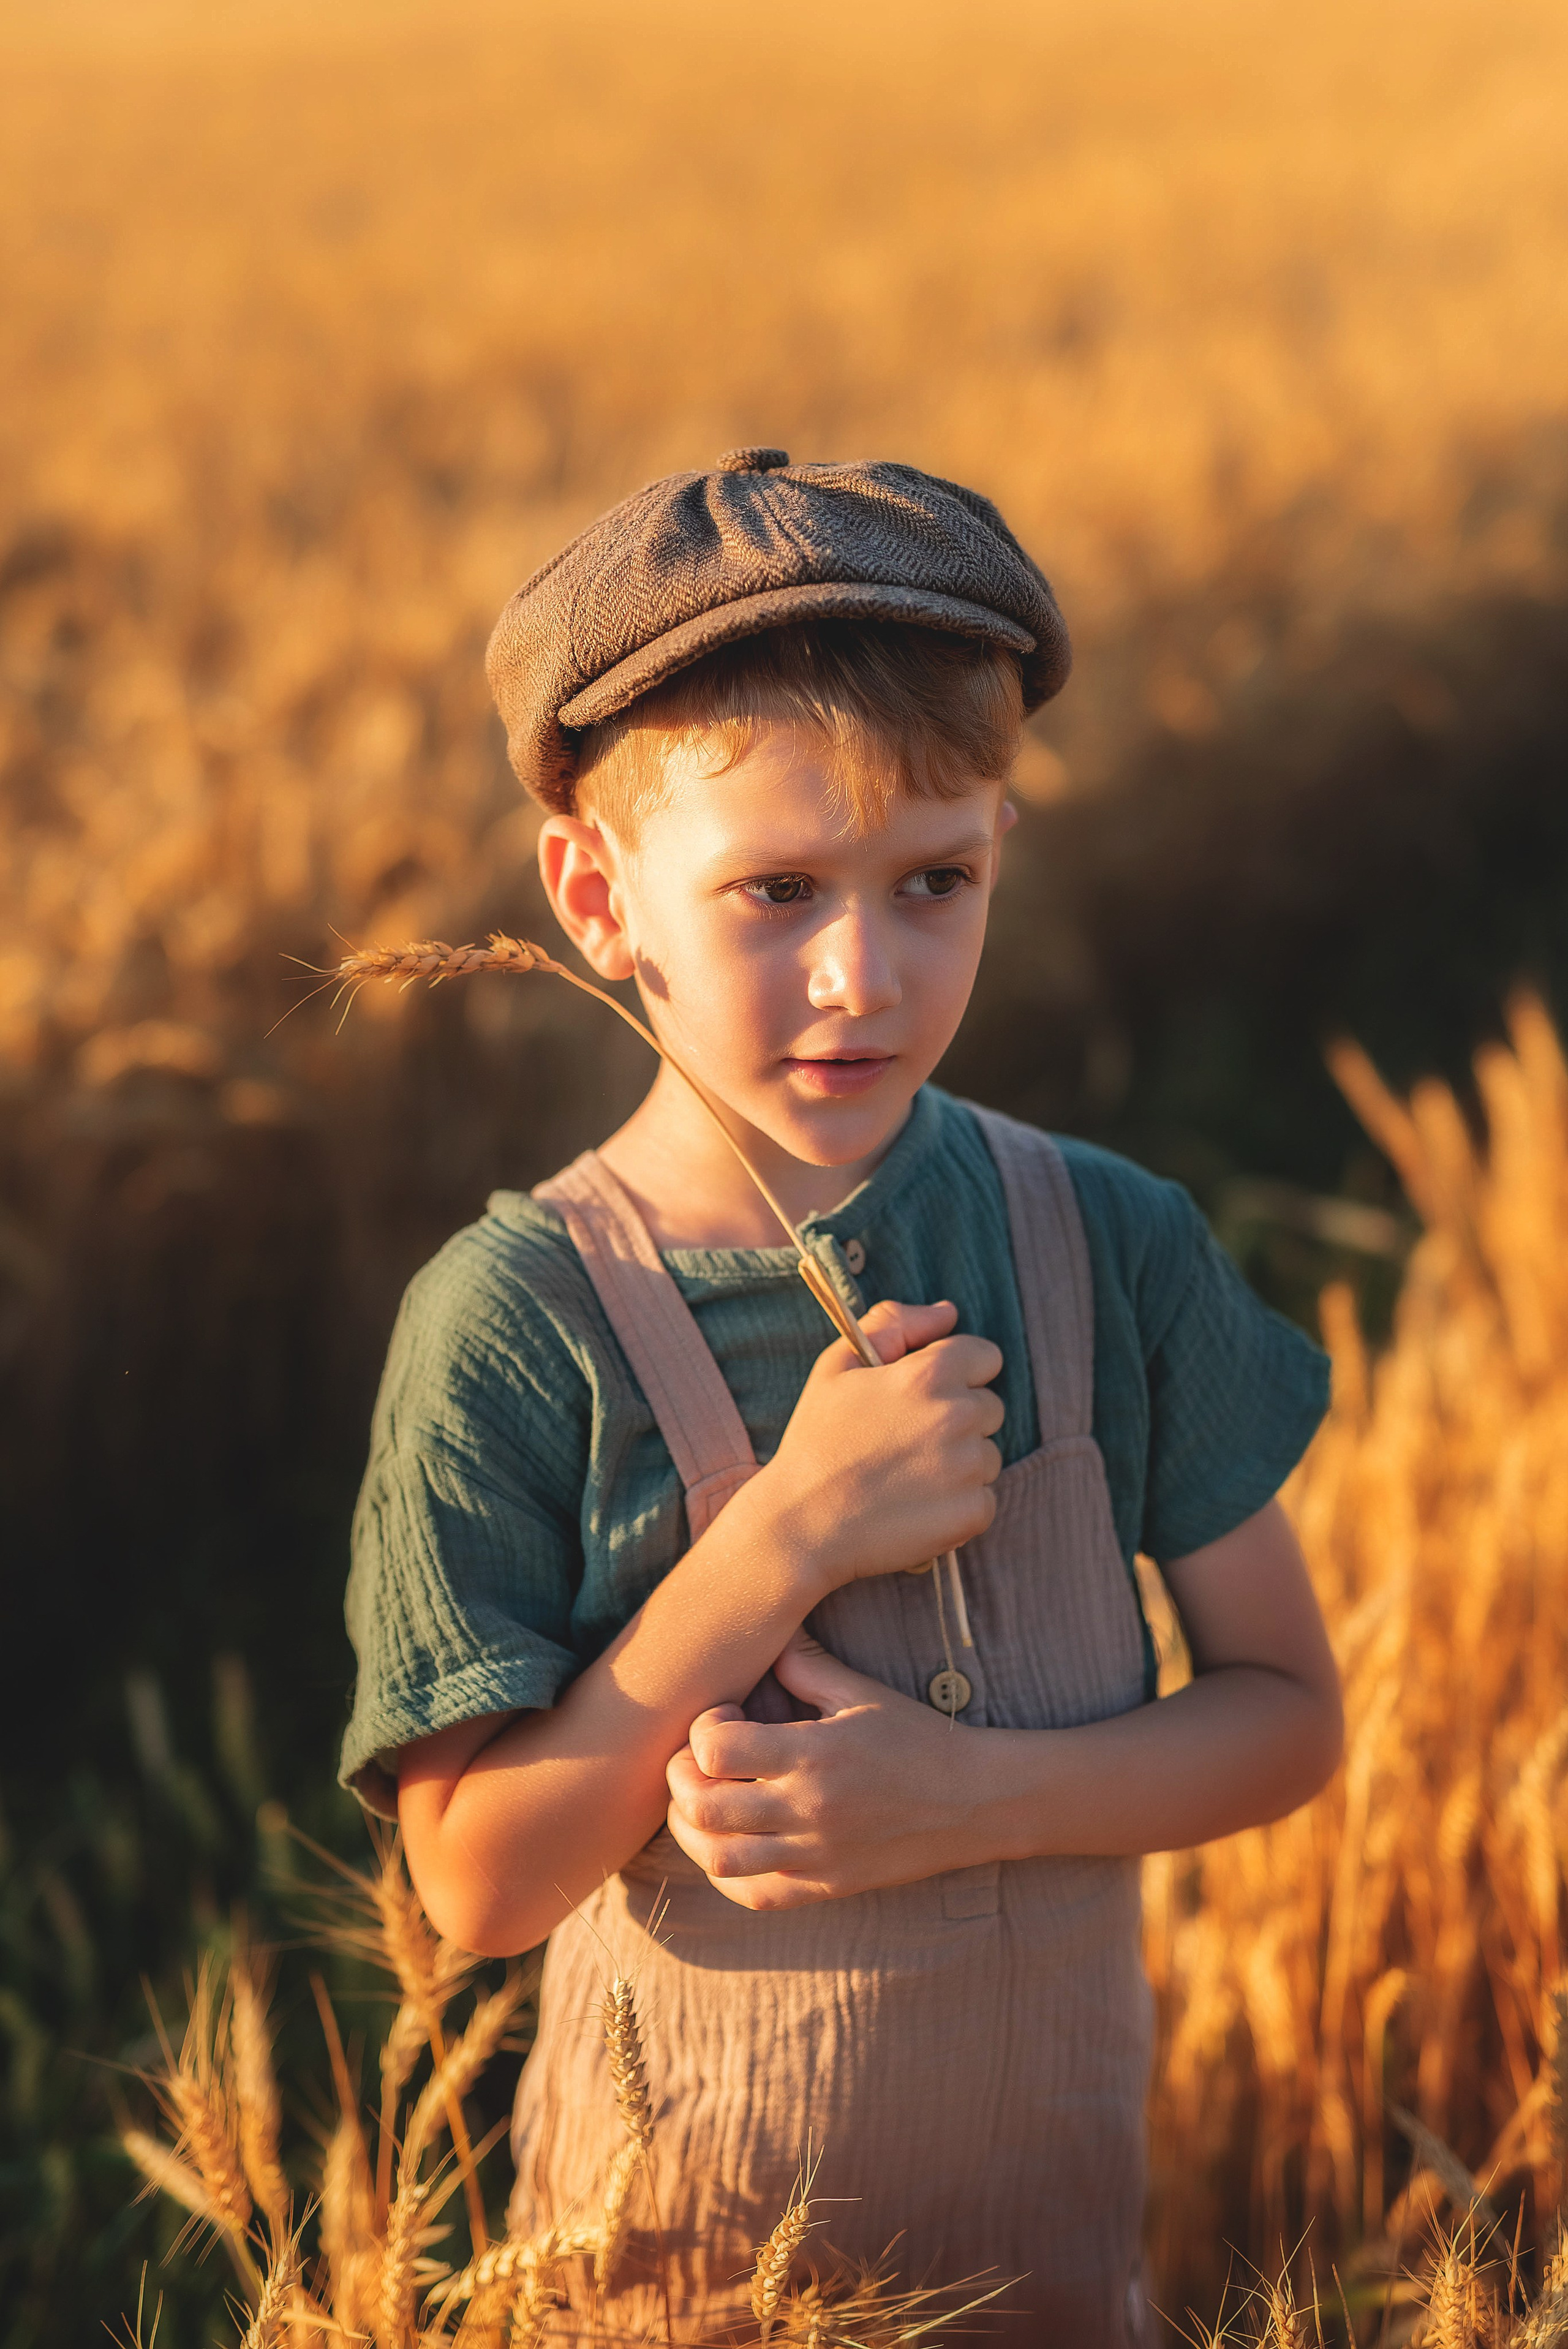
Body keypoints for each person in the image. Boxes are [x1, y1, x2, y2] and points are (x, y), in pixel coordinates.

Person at [339, 448, 1344, 2345]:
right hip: (669, 2299)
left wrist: (967, 1799)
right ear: (595, 895)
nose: (861, 975)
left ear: (1001, 851)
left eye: (933, 880)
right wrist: (785, 1535)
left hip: (1057, 2294)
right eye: (775, 890)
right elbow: (474, 1883)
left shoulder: (1108, 1242)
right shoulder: (517, 1317)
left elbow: (1287, 1720)